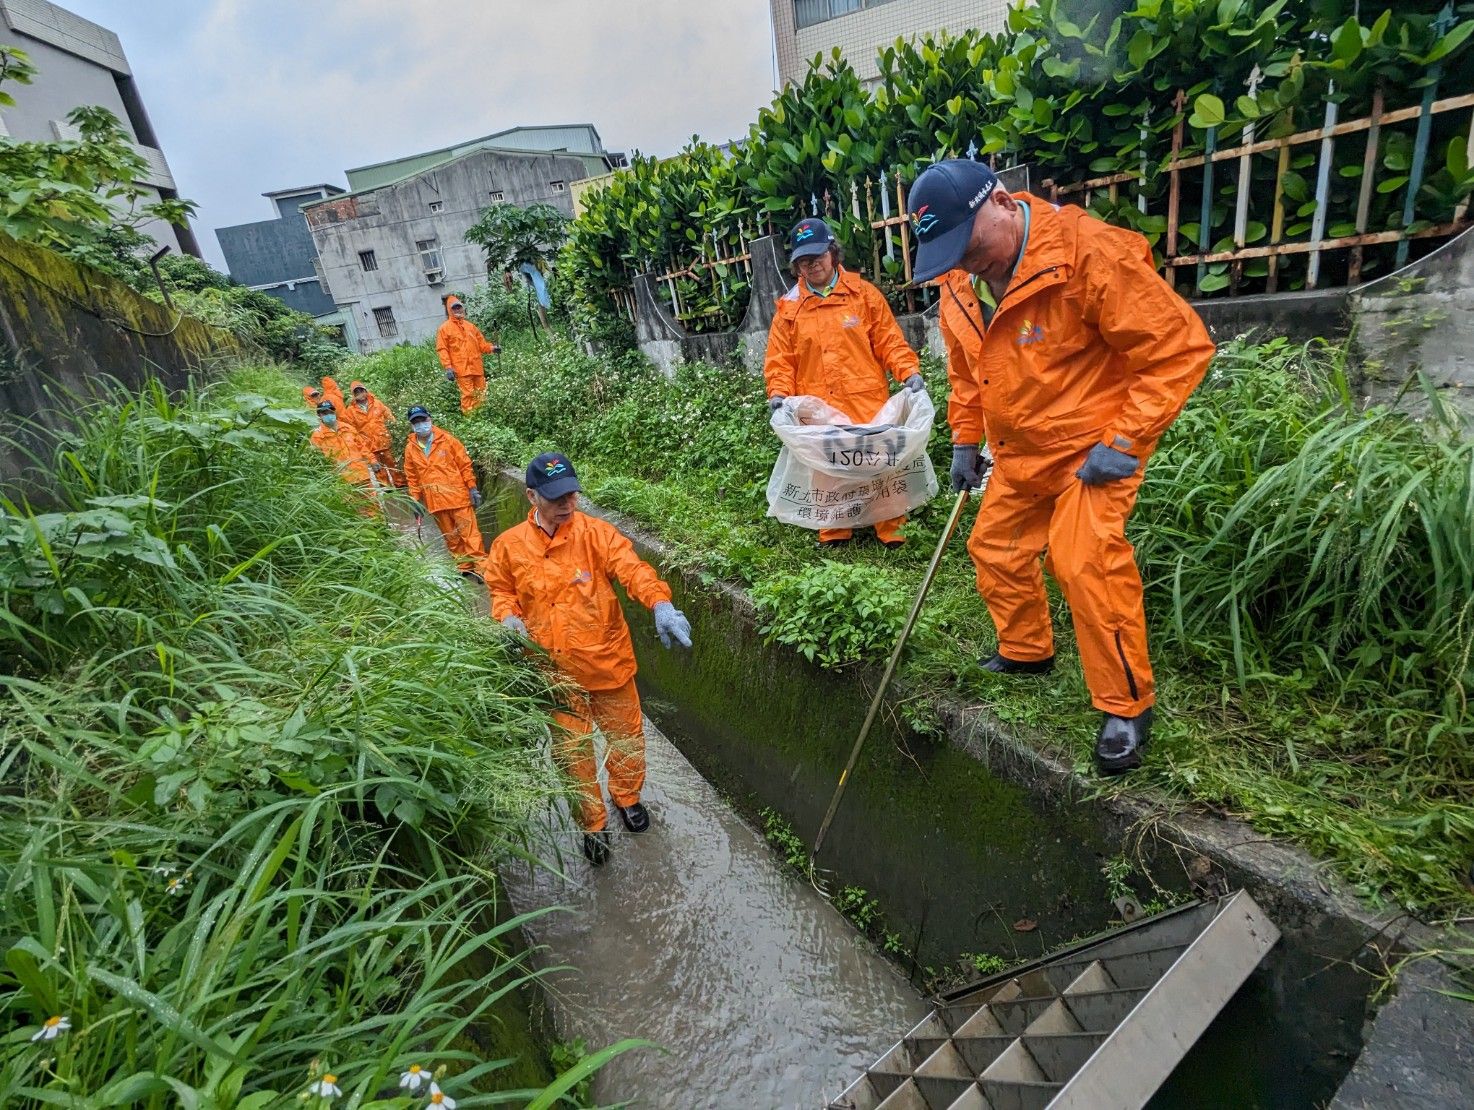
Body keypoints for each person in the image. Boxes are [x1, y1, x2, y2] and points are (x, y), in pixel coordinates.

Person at [906, 159, 1214, 775]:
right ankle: (1026, 651)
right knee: (993, 547)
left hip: (1090, 452)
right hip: (1020, 451)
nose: (967, 265)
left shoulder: (1088, 254)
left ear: (997, 200)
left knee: (1083, 559)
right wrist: (966, 441)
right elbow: (969, 369)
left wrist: (1126, 440)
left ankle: (1126, 705)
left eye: (969, 248)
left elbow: (1179, 348)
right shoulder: (960, 282)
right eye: (950, 256)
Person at [485, 452, 693, 867]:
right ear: (531, 497)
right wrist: (508, 616)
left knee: (626, 739)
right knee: (571, 753)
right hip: (553, 672)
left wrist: (659, 604)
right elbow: (500, 588)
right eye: (556, 497)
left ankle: (627, 797)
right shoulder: (509, 546)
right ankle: (592, 822)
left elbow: (632, 569)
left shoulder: (597, 535)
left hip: (607, 661)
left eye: (572, 494)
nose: (567, 504)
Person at [762, 217, 925, 548]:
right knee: (827, 468)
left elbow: (889, 342)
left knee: (878, 464)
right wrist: (779, 394)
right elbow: (781, 360)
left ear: (833, 252)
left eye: (818, 256)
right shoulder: (789, 311)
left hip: (867, 401)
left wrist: (909, 372)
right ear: (796, 266)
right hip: (819, 407)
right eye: (804, 261)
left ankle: (890, 525)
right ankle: (835, 529)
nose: (813, 265)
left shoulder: (863, 295)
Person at [399, 404, 486, 573]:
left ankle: (482, 569)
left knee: (471, 537)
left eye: (423, 420)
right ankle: (464, 567)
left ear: (429, 419)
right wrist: (414, 501)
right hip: (436, 502)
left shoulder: (448, 440)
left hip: (458, 498)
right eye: (416, 422)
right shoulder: (410, 448)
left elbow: (464, 465)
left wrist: (472, 488)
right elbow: (412, 477)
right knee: (452, 538)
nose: (420, 425)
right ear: (412, 425)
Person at [436, 295, 498, 414]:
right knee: (468, 395)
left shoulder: (470, 326)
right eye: (454, 308)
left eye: (459, 307)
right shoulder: (444, 328)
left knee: (482, 393)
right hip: (461, 370)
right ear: (450, 310)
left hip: (477, 367)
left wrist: (492, 348)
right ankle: (470, 419)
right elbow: (442, 349)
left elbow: (481, 344)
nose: (458, 310)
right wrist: (448, 367)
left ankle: (482, 416)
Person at [309, 399, 377, 493]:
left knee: (372, 504)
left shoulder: (348, 428)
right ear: (319, 415)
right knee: (351, 506)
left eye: (330, 411)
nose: (328, 414)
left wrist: (372, 460)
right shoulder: (317, 436)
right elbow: (318, 461)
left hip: (361, 473)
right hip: (341, 480)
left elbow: (362, 447)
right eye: (324, 413)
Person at [344, 379, 403, 487]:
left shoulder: (377, 403)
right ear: (353, 395)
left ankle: (400, 484)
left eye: (361, 391)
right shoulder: (350, 411)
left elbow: (389, 417)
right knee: (378, 469)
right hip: (369, 446)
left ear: (365, 390)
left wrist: (396, 430)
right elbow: (352, 431)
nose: (360, 394)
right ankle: (386, 488)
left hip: (385, 441)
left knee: (393, 464)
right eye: (356, 392)